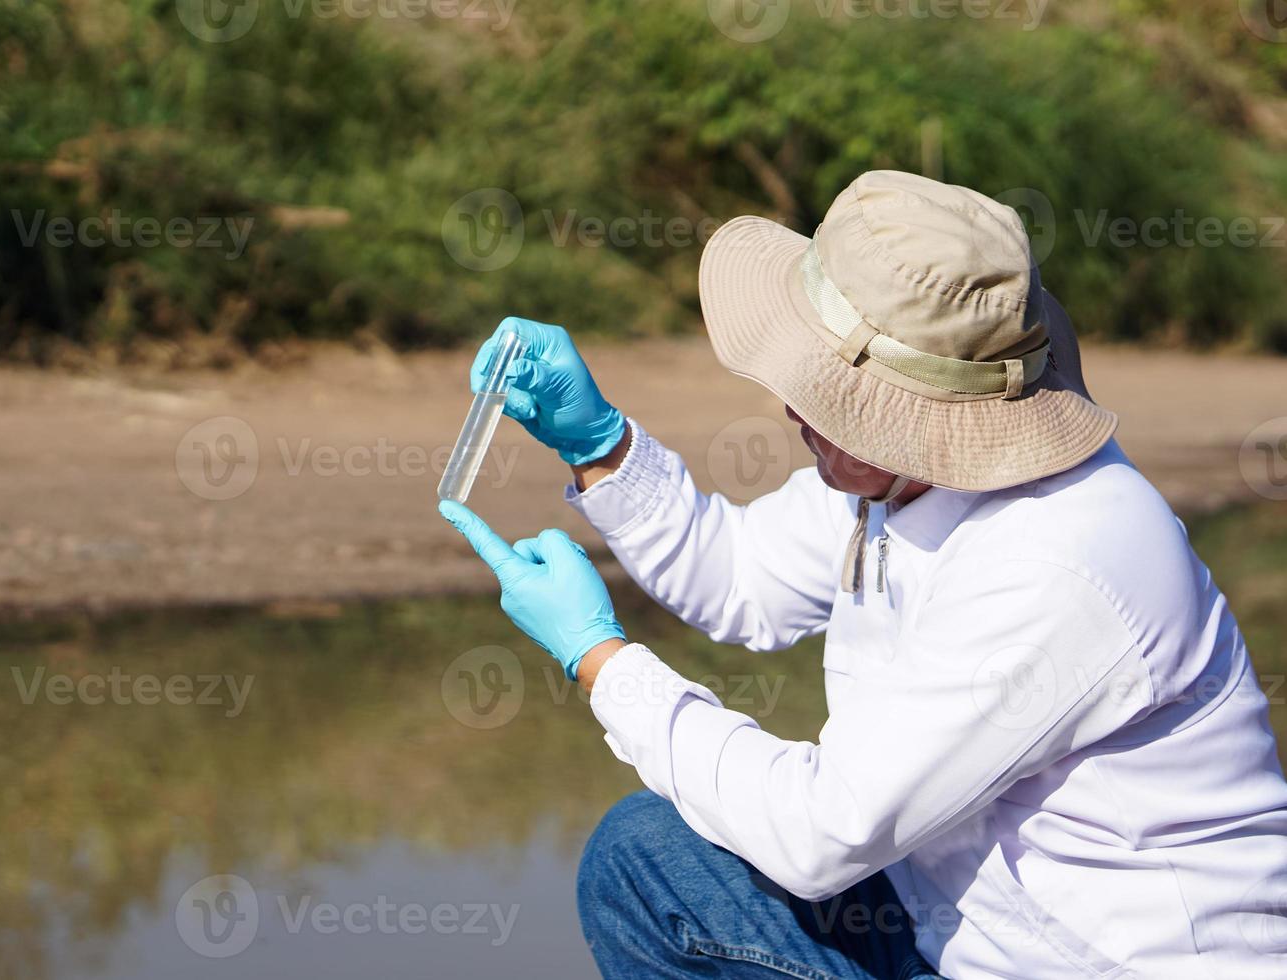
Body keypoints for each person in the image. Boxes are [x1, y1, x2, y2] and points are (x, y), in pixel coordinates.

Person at [438, 170, 1287, 978]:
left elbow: (822, 831)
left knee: (670, 858)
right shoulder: (904, 478)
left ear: (931, 419)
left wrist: (600, 660)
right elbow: (742, 580)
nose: (791, 410)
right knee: (650, 861)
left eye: (829, 396)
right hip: (954, 926)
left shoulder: (1056, 560)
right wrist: (602, 448)